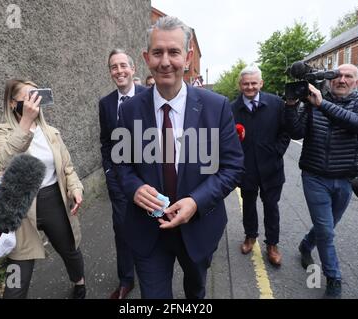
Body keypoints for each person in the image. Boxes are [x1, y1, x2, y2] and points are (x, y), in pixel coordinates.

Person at [116, 16, 244, 299]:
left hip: (198, 228)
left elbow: (232, 168)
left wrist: (196, 202)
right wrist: (135, 188)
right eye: (158, 52)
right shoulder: (129, 110)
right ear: (147, 58)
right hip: (147, 230)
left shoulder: (216, 107)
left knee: (195, 292)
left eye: (173, 52)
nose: (165, 61)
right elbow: (121, 165)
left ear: (187, 58)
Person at [284, 64, 358, 298]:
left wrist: (321, 104)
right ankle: (334, 278)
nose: (342, 80)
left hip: (346, 178)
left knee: (328, 226)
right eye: (337, 76)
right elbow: (296, 132)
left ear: (356, 82)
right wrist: (291, 105)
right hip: (314, 177)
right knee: (326, 231)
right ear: (329, 80)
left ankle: (306, 245)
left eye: (348, 77)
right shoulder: (313, 101)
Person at [0, 79, 86, 299]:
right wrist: (25, 123)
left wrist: (76, 188)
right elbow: (4, 160)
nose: (35, 102)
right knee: (16, 276)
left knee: (70, 249)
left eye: (37, 96)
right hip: (20, 208)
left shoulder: (51, 131)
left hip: (53, 200)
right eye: (29, 97)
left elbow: (67, 167)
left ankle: (79, 282)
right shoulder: (0, 131)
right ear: (14, 103)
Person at [98, 49, 146, 299]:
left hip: (150, 182)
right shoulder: (105, 104)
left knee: (153, 230)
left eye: (123, 66)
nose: (119, 71)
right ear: (110, 72)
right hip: (118, 183)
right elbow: (106, 143)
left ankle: (151, 275)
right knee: (123, 231)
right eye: (114, 67)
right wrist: (108, 172)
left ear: (133, 68)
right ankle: (126, 280)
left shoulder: (150, 96)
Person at [231, 65, 290, 266]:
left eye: (253, 83)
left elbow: (285, 132)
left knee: (271, 207)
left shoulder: (276, 104)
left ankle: (272, 245)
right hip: (245, 168)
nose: (249, 87)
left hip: (271, 167)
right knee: (248, 206)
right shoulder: (231, 108)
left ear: (261, 83)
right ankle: (250, 237)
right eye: (246, 83)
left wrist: (277, 152)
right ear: (240, 85)